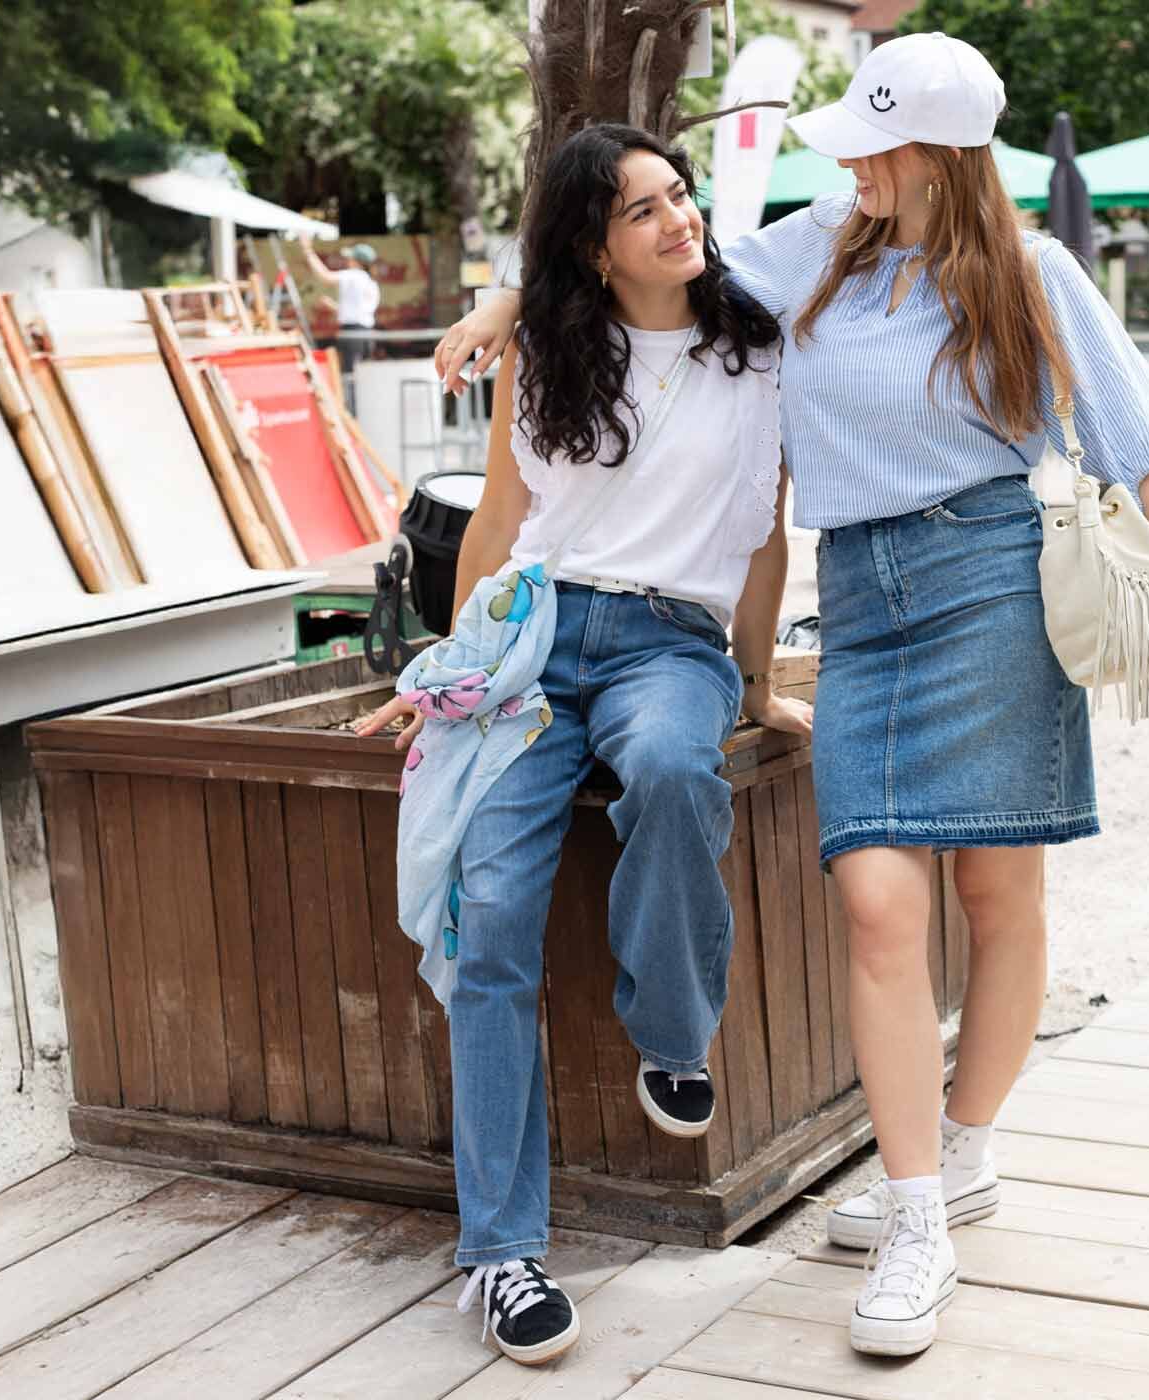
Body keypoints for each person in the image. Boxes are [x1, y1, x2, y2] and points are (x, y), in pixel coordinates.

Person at [434, 33, 1149, 1360]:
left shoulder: (1032, 276)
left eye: (871, 143)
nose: (846, 162)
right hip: (864, 600)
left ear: (936, 154)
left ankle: (960, 1154)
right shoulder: (807, 250)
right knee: (876, 897)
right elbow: (618, 267)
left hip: (991, 580)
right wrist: (493, 309)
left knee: (993, 895)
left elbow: (1139, 448)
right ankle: (915, 1212)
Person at [358, 124, 810, 1365]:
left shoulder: (756, 341)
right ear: (592, 246)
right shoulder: (548, 352)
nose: (679, 220)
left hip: (672, 637)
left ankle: (671, 1028)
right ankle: (502, 1252)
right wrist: (449, 672)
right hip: (536, 633)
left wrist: (757, 680)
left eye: (681, 194)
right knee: (490, 911)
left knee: (672, 768)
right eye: (644, 210)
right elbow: (503, 515)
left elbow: (765, 536)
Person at [298, 234, 381, 392]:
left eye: (350, 258)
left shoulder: (354, 275)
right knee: (362, 379)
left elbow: (325, 276)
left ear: (357, 262)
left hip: (352, 335)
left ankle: (353, 413)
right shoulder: (372, 283)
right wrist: (333, 306)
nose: (347, 261)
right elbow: (359, 312)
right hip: (367, 334)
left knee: (349, 379)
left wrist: (307, 250)